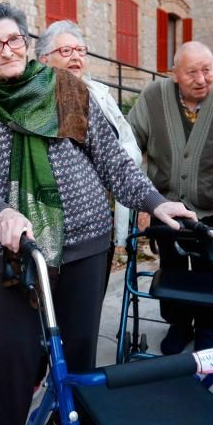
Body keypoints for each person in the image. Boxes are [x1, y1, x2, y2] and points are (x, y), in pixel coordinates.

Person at [0, 3, 196, 425]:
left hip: (87, 242)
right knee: (16, 357)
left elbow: (112, 162)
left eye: (13, 39)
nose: (7, 50)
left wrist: (155, 202)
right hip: (24, 251)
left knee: (81, 349)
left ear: (25, 40)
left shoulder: (67, 89)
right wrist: (2, 212)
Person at [128, 41, 213, 354]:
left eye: (208, 70)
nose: (202, 79)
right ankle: (178, 323)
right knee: (172, 264)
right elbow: (129, 143)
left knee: (212, 267)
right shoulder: (152, 97)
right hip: (166, 207)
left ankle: (208, 329)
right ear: (174, 74)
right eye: (192, 73)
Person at [35, 20, 143, 264]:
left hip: (104, 210)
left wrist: (118, 161)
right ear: (43, 59)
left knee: (93, 290)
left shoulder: (100, 94)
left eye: (80, 51)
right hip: (58, 219)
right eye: (66, 51)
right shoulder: (35, 102)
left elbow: (128, 142)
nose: (76, 57)